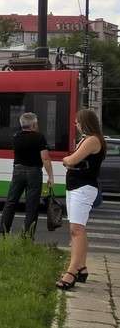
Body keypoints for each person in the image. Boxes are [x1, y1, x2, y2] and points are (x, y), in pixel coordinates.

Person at [56, 109, 106, 290]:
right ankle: (82, 267)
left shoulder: (92, 140)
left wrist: (67, 159)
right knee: (78, 229)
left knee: (76, 230)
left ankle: (71, 272)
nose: (75, 124)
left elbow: (72, 160)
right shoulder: (88, 139)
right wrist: (69, 160)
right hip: (77, 187)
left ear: (85, 122)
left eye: (77, 121)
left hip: (83, 188)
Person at [0, 112, 54, 239]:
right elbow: (45, 158)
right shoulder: (39, 137)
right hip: (34, 172)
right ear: (33, 125)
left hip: (18, 171)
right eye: (36, 123)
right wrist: (51, 176)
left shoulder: (16, 137)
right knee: (32, 205)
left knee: (11, 202)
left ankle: (1, 233)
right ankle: (27, 237)